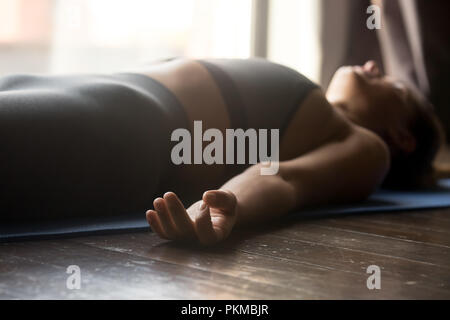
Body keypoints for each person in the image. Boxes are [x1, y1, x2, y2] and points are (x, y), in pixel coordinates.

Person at [0, 58, 444, 246]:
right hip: (78, 87)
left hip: (123, 126)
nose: (373, 67)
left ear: (402, 136)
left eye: (394, 86)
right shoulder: (319, 107)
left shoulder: (368, 149)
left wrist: (227, 206)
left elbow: (281, 175)